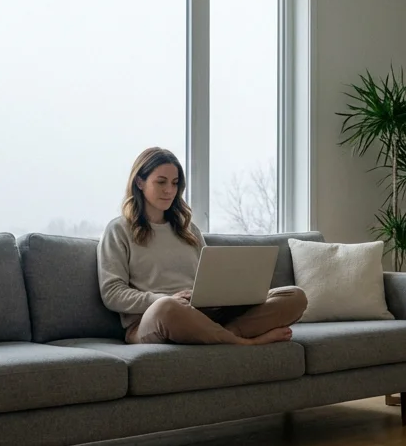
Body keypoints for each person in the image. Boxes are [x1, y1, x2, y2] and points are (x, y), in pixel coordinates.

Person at [97, 147, 306, 345]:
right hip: (155, 318)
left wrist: (228, 294)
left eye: (175, 182)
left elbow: (209, 277)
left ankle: (222, 335)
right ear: (140, 182)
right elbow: (112, 293)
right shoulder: (118, 230)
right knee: (167, 307)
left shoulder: (188, 229)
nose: (169, 190)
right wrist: (164, 298)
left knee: (294, 296)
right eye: (161, 182)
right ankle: (245, 342)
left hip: (203, 313)